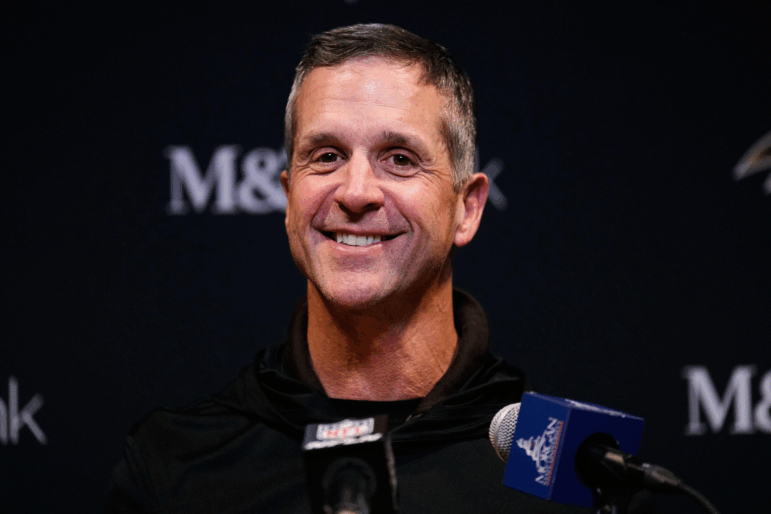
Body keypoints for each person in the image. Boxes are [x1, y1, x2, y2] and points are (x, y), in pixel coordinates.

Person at [106, 24, 655, 513]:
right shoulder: (177, 462)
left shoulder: (579, 473)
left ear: (467, 208)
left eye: (399, 158)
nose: (356, 192)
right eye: (326, 156)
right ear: (288, 197)